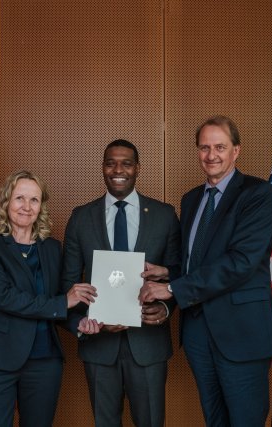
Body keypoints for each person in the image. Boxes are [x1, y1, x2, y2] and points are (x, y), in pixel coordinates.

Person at [139, 116, 272, 426]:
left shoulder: (257, 195)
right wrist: (167, 272)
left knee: (245, 420)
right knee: (214, 419)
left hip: (241, 333)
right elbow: (197, 263)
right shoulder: (191, 199)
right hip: (198, 333)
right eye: (204, 147)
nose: (211, 155)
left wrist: (174, 289)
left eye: (220, 146)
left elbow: (240, 262)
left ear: (236, 151)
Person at [61, 139, 181, 427]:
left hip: (148, 345)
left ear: (138, 168)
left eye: (126, 163)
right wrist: (84, 322)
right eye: (111, 162)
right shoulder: (81, 217)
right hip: (99, 346)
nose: (118, 169)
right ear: (102, 168)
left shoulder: (165, 215)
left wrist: (165, 309)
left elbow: (178, 275)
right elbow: (65, 285)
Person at [0, 170, 98, 427]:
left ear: (41, 206)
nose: (26, 207)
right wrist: (63, 303)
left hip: (44, 363)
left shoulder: (51, 248)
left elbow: (57, 302)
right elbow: (5, 298)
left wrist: (78, 323)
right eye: (19, 198)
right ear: (5, 202)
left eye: (34, 200)